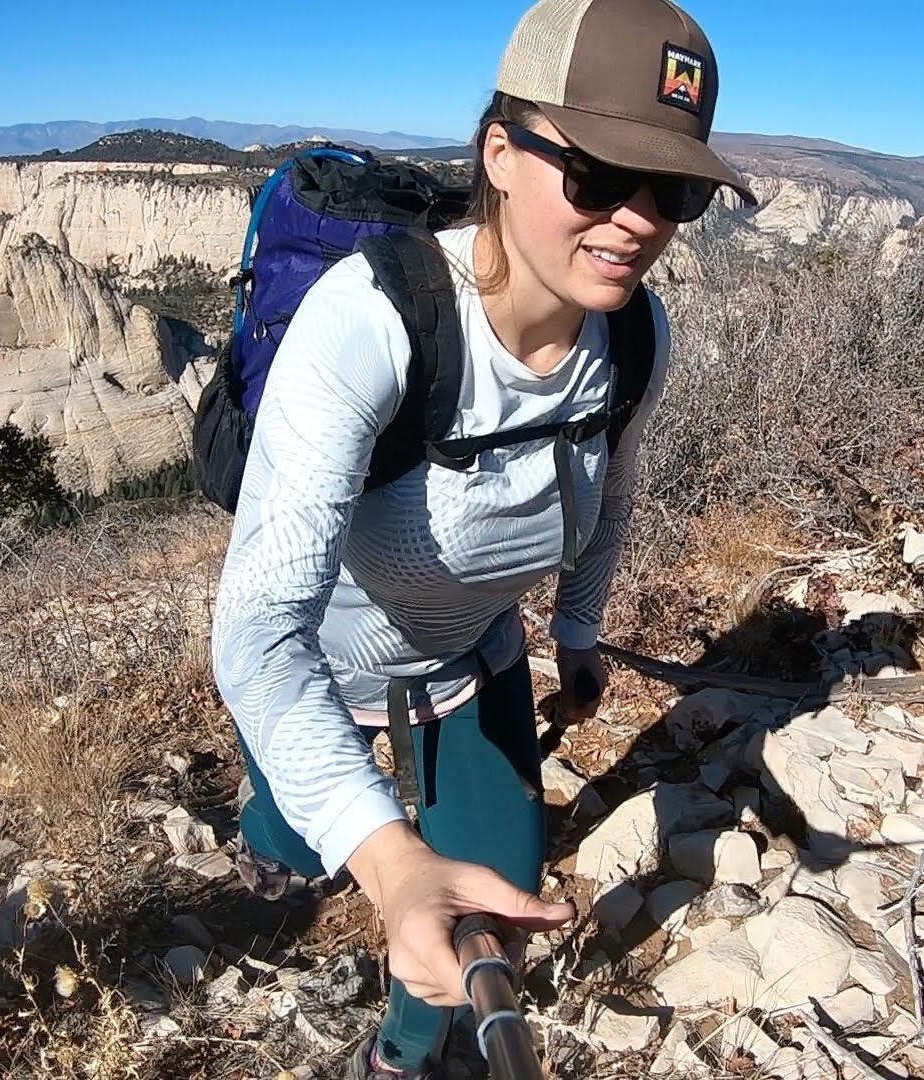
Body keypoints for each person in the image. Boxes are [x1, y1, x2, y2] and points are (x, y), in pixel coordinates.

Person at [208, 1, 757, 1076]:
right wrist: (385, 859)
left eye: (675, 190)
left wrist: (581, 633)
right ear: (499, 154)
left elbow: (617, 489)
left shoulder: (636, 336)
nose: (638, 220)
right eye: (597, 176)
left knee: (486, 920)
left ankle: (402, 1059)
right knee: (296, 841)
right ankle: (269, 837)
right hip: (326, 666)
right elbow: (260, 635)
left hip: (473, 656)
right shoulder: (371, 321)